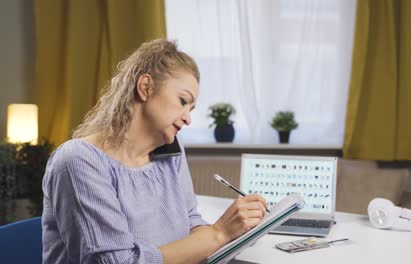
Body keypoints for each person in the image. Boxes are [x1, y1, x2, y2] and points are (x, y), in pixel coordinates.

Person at [41, 39, 268, 264]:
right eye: (182, 101)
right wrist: (219, 233)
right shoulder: (78, 162)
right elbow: (118, 261)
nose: (188, 118)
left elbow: (190, 222)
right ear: (146, 87)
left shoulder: (171, 152)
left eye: (191, 108)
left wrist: (235, 232)